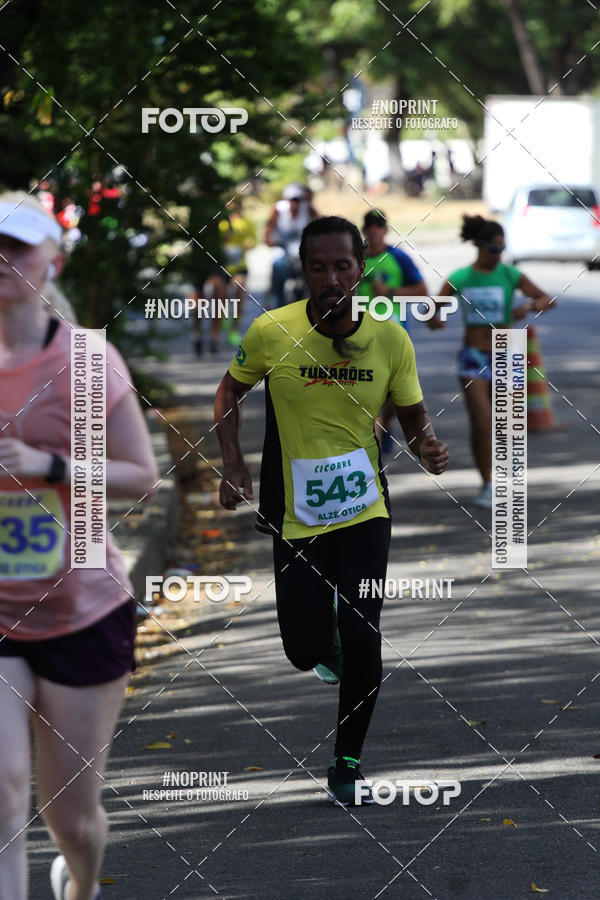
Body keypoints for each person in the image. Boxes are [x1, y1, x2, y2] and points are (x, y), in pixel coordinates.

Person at [214, 215, 448, 807]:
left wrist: (427, 446)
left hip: (365, 509)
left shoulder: (391, 338)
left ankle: (347, 763)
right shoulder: (273, 332)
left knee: (363, 626)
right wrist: (233, 464)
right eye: (318, 267)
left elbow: (415, 419)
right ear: (304, 270)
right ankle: (330, 651)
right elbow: (227, 392)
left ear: (360, 269)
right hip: (297, 514)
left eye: (342, 265)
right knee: (302, 647)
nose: (331, 278)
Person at [0, 192, 159, 900]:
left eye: (16, 246)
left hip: (80, 610)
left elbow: (139, 478)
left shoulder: (86, 362)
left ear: (51, 260)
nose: (1, 259)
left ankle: (83, 886)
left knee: (70, 816)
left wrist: (50, 467)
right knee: (1, 795)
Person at [429, 213, 553, 507]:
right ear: (480, 246)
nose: (499, 255)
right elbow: (433, 310)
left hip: (506, 352)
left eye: (502, 249)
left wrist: (530, 305)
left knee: (506, 422)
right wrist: (436, 318)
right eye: (494, 249)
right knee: (482, 422)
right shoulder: (461, 277)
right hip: (473, 356)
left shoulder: (510, 275)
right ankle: (487, 484)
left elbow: (547, 299)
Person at [358, 209, 428, 454]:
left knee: (390, 399)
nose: (374, 230)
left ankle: (386, 425)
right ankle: (372, 457)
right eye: (370, 226)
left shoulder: (398, 258)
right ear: (364, 230)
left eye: (379, 226)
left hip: (394, 336)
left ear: (385, 230)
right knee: (371, 398)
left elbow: (422, 290)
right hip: (361, 337)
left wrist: (389, 293)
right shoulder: (355, 260)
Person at [264, 184, 317, 307]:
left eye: (297, 199)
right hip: (281, 247)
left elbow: (318, 225)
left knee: (311, 273)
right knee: (277, 268)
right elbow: (269, 227)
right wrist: (268, 239)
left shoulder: (308, 209)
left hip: (302, 250)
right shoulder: (278, 209)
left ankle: (308, 304)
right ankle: (274, 305)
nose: (295, 203)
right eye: (292, 199)